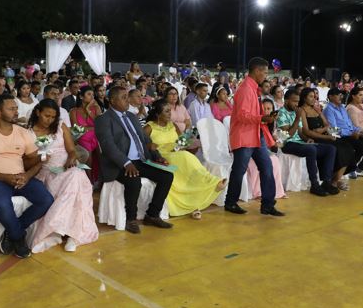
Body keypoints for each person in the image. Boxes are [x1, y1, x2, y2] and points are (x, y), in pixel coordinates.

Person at [0, 94, 53, 259]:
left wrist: (28, 175)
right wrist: (4, 177)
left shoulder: (23, 133)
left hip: (20, 177)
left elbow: (34, 160)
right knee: (2, 204)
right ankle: (18, 238)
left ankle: (12, 232)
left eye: (16, 108)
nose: (16, 111)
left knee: (46, 200)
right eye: (11, 108)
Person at [94, 86, 175, 234]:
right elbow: (108, 146)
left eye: (127, 96)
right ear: (112, 100)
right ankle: (130, 219)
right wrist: (126, 163)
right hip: (118, 164)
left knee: (167, 176)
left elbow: (145, 139)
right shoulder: (103, 119)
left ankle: (152, 214)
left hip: (139, 160)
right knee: (134, 180)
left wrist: (157, 156)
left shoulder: (132, 117)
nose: (128, 100)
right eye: (124, 97)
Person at [27, 100, 98, 253]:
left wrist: (71, 158)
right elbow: (27, 161)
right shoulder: (29, 132)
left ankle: (65, 232)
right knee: (75, 179)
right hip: (46, 171)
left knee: (76, 175)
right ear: (38, 112)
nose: (50, 120)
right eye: (47, 116)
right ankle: (67, 231)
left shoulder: (60, 126)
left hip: (67, 166)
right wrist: (41, 156)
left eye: (53, 117)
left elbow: (71, 149)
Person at [143, 99, 225, 218]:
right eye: (166, 111)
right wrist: (151, 147)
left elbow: (181, 141)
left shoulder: (172, 125)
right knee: (186, 157)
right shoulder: (149, 128)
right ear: (157, 114)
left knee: (187, 159)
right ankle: (211, 181)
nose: (170, 114)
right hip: (161, 157)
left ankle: (195, 202)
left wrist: (187, 140)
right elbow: (139, 145)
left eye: (169, 111)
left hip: (176, 152)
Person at [223, 58, 284, 216]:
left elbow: (251, 115)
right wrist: (262, 118)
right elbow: (242, 116)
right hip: (244, 137)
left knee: (267, 167)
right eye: (264, 72)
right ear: (256, 71)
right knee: (239, 170)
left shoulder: (254, 89)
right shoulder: (245, 89)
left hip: (256, 135)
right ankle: (230, 202)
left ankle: (268, 204)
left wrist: (265, 118)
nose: (266, 75)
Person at [276, 89, 340, 195]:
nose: (297, 104)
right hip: (287, 144)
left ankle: (326, 182)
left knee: (330, 149)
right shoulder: (281, 113)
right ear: (286, 101)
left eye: (298, 101)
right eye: (294, 101)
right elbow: (287, 135)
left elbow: (300, 132)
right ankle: (314, 185)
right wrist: (297, 118)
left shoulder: (296, 111)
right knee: (310, 150)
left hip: (300, 142)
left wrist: (307, 139)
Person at [324, 87, 363, 179]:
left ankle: (358, 168)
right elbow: (333, 130)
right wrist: (351, 134)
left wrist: (357, 131)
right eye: (338, 95)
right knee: (361, 147)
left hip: (352, 133)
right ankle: (346, 171)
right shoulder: (329, 109)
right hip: (341, 136)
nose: (340, 97)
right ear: (331, 97)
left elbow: (350, 125)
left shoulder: (342, 108)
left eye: (341, 95)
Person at [70, 85, 101, 184]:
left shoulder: (96, 108)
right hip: (82, 137)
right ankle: (88, 182)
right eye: (89, 94)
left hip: (96, 136)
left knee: (101, 150)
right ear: (81, 96)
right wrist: (90, 128)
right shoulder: (74, 111)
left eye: (93, 94)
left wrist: (88, 110)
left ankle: (102, 180)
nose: (92, 97)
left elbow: (100, 124)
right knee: (88, 152)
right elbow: (76, 129)